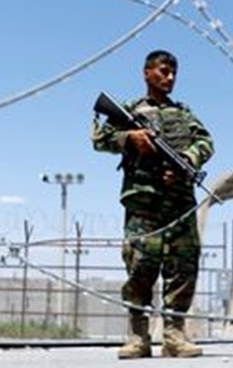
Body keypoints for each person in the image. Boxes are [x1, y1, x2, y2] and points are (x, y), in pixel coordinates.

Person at [93, 49, 214, 359]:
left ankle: (174, 336)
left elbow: (206, 142)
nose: (169, 78)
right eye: (163, 71)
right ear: (147, 73)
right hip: (144, 202)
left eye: (174, 73)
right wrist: (130, 138)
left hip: (180, 203)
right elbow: (100, 140)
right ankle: (138, 336)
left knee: (183, 267)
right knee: (140, 267)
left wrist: (187, 159)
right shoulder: (130, 110)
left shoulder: (184, 114)